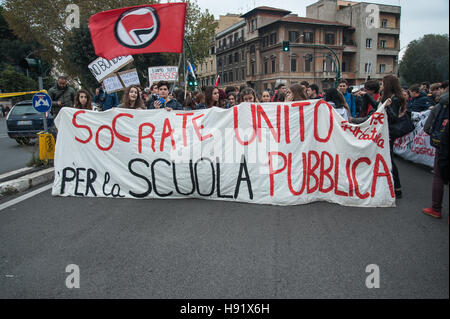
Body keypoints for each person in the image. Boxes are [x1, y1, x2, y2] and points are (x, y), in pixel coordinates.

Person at [422, 80, 449, 218]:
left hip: (443, 145)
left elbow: (427, 127)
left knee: (438, 176)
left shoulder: (440, 106)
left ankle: (436, 208)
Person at [381, 74, 408, 199]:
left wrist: (387, 107)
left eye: (383, 83)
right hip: (386, 132)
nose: (381, 86)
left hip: (390, 133)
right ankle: (393, 186)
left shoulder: (395, 99)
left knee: (390, 159)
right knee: (387, 158)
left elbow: (394, 118)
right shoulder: (390, 98)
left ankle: (397, 188)